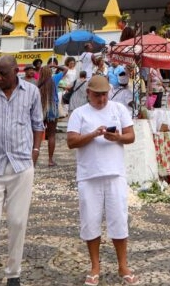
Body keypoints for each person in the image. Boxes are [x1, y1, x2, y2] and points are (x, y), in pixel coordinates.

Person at [0, 56, 44, 286]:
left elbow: (38, 125)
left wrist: (35, 150)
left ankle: (13, 273)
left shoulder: (31, 92)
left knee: (17, 222)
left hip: (21, 166)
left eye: (3, 74)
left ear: (16, 72)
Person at [67, 75, 137, 286]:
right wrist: (92, 135)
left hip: (115, 173)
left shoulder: (118, 109)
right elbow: (71, 141)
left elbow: (131, 136)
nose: (101, 99)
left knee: (119, 220)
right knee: (90, 221)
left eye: (104, 95)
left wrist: (117, 138)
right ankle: (95, 265)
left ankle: (123, 264)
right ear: (88, 93)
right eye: (97, 95)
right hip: (89, 175)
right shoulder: (79, 113)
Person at [37, 66, 60, 167]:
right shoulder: (54, 79)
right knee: (51, 135)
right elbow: (65, 70)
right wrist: (55, 66)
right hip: (52, 111)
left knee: (36, 135)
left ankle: (34, 158)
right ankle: (50, 160)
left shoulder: (38, 82)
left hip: (40, 109)